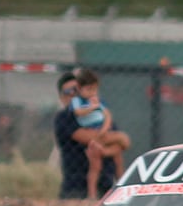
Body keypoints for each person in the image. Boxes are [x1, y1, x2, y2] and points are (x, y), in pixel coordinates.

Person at [70, 68, 131, 199]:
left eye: (95, 89)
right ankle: (91, 194)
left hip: (103, 132)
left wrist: (105, 128)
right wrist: (91, 107)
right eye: (89, 89)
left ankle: (122, 191)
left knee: (118, 155)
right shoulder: (78, 101)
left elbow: (107, 115)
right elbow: (78, 112)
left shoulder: (98, 100)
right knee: (96, 165)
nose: (92, 93)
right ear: (79, 89)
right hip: (92, 133)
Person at [53, 70, 116, 199]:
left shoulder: (99, 114)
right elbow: (90, 138)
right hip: (76, 189)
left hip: (105, 186)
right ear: (61, 97)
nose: (74, 95)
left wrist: (105, 150)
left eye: (77, 90)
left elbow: (120, 144)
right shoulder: (64, 118)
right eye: (68, 92)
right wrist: (107, 138)